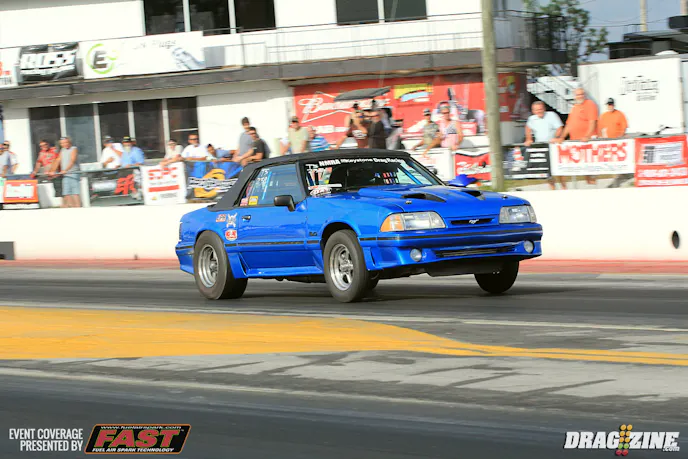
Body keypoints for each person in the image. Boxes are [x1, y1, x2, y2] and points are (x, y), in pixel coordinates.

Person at [554, 88, 599, 184]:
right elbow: (569, 125)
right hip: (576, 143)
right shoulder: (574, 107)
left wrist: (587, 136)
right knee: (580, 169)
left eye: (581, 94)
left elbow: (592, 122)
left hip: (587, 142)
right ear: (575, 96)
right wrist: (562, 137)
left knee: (590, 169)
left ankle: (594, 187)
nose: (580, 96)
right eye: (578, 95)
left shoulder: (590, 104)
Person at [524, 101, 565, 190]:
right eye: (536, 110)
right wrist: (529, 139)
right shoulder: (531, 119)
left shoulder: (552, 115)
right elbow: (528, 128)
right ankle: (552, 189)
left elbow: (559, 128)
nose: (539, 111)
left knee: (558, 168)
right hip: (541, 147)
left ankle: (564, 187)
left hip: (553, 146)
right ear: (533, 111)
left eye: (541, 109)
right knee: (547, 170)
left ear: (544, 109)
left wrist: (556, 138)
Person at [57, 136, 81, 208]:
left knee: (75, 192)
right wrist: (51, 171)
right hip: (65, 175)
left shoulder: (74, 149)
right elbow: (58, 160)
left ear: (69, 142)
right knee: (66, 192)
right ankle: (66, 207)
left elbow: (72, 161)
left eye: (66, 142)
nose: (64, 144)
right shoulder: (62, 150)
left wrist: (65, 170)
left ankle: (78, 207)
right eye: (62, 143)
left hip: (73, 173)